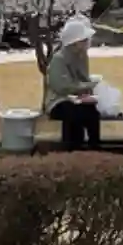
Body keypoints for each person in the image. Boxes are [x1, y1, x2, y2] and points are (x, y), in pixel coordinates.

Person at [44, 15, 102, 150]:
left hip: (77, 98)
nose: (87, 42)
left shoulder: (82, 56)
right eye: (84, 40)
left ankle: (95, 149)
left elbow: (83, 78)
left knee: (92, 112)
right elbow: (61, 87)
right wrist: (86, 86)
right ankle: (72, 150)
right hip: (58, 101)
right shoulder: (59, 59)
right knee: (74, 113)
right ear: (75, 42)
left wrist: (89, 89)